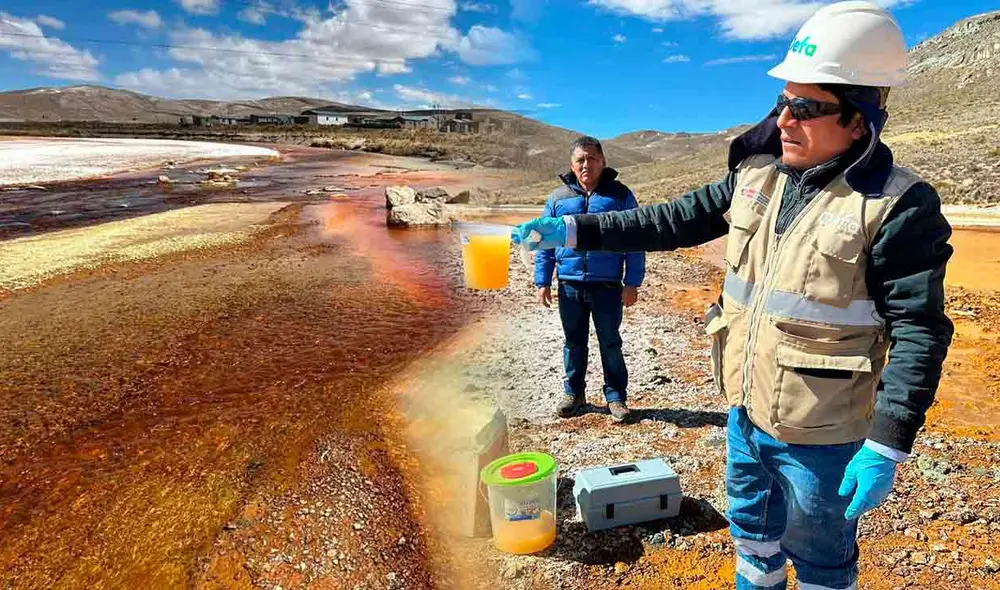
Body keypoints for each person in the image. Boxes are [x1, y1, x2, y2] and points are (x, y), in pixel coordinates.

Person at [514, 3, 953, 589]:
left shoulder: (898, 206)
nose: (785, 120)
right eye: (782, 103)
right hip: (745, 414)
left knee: (823, 562)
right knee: (752, 537)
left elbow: (920, 328)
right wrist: (572, 230)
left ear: (860, 121)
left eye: (807, 108)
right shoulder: (757, 176)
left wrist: (890, 440)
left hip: (823, 435)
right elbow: (672, 220)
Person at [534, 136, 645, 424]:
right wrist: (542, 281)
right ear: (572, 164)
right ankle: (574, 394)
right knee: (573, 342)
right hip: (569, 283)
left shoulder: (620, 196)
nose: (587, 164)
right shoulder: (558, 198)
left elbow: (635, 239)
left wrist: (632, 282)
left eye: (592, 158)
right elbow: (544, 241)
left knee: (610, 342)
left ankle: (616, 396)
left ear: (603, 161)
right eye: (581, 159)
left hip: (607, 284)